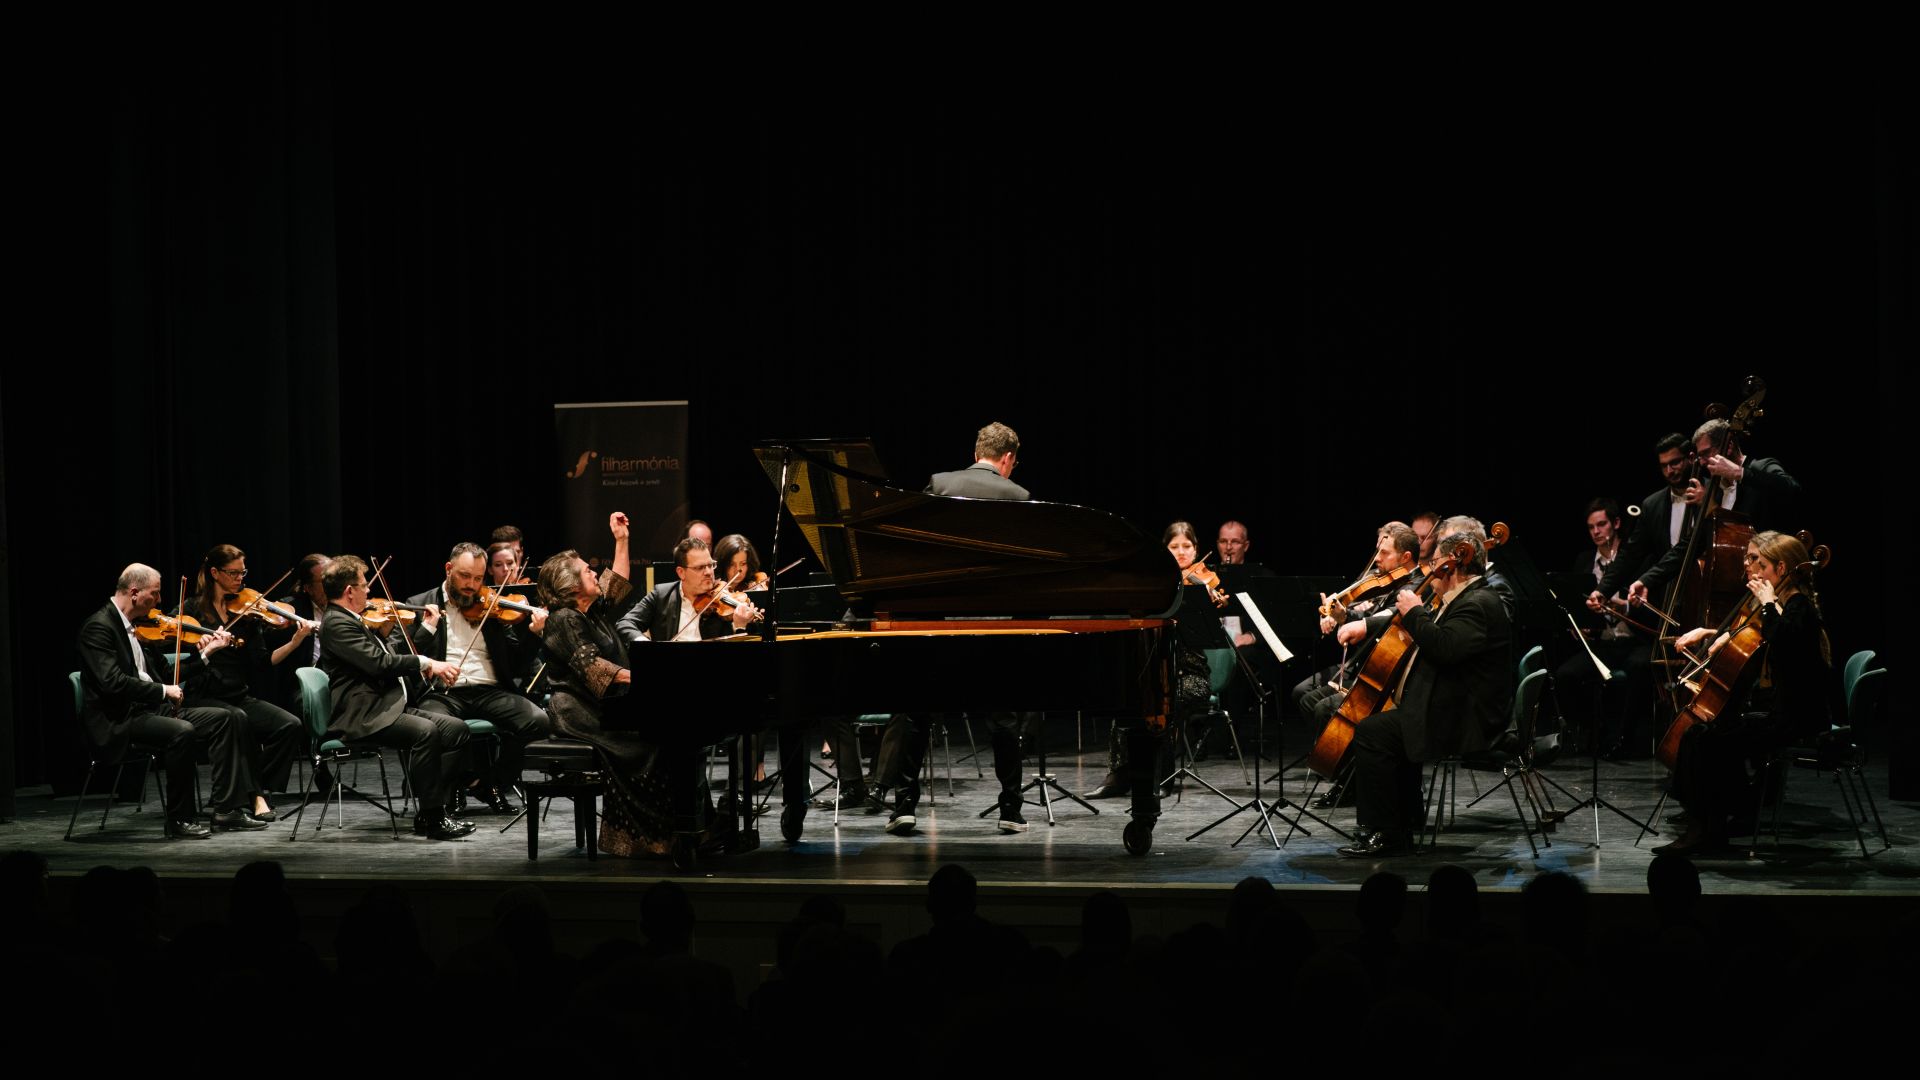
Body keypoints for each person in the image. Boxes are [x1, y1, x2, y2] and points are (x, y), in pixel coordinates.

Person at [541, 515, 795, 858]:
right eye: (588, 571)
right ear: (572, 587)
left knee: (672, 736)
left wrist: (622, 539)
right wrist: (652, 674)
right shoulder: (564, 619)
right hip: (581, 712)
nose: (595, 573)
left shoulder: (589, 610)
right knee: (655, 743)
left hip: (606, 703)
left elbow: (616, 582)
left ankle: (694, 826)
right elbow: (594, 669)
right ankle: (664, 834)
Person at [887, 422, 1032, 835]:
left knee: (917, 714)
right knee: (1003, 721)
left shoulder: (939, 484)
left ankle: (904, 807)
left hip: (937, 621)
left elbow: (910, 548)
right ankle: (1010, 811)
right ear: (1008, 458)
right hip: (994, 627)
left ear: (976, 452)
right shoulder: (1018, 496)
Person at [1338, 517, 1513, 858]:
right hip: (1455, 706)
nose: (1431, 572)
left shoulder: (1477, 603)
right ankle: (1405, 820)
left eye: (1435, 564)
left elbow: (1445, 648)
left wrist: (1415, 614)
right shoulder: (1468, 597)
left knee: (1373, 732)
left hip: (1468, 719)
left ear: (1453, 566)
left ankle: (1387, 833)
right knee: (1393, 724)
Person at [1655, 530, 1830, 856]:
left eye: (1758, 562)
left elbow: (1784, 642)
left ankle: (1706, 827)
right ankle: (1718, 819)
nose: (1750, 567)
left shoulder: (1798, 606)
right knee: (1705, 735)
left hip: (1796, 719)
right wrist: (1719, 632)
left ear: (1780, 568)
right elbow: (1762, 636)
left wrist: (1767, 603)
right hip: (1783, 713)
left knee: (1704, 738)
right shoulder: (1786, 606)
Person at [76, 564, 260, 837]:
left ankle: (227, 810)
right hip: (119, 719)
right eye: (155, 593)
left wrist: (208, 652)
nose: (160, 601)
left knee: (228, 717)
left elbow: (168, 673)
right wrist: (163, 691)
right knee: (181, 731)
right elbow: (112, 682)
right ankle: (179, 819)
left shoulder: (138, 628)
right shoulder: (99, 628)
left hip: (149, 710)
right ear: (135, 593)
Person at [317, 555, 475, 840]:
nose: (369, 590)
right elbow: (379, 664)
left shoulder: (354, 620)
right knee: (426, 732)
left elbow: (386, 657)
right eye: (364, 585)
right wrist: (426, 662)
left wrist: (394, 636)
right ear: (349, 591)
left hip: (387, 706)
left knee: (456, 730)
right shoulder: (337, 624)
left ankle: (432, 806)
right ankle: (434, 818)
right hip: (364, 715)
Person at [401, 542, 553, 814]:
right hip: (442, 693)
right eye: (464, 576)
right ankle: (448, 792)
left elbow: (516, 665)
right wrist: (427, 630)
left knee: (538, 721)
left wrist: (533, 634)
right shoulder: (420, 604)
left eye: (478, 578)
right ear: (448, 569)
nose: (472, 585)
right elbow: (402, 658)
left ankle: (490, 783)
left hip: (489, 690)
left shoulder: (490, 606)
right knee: (440, 727)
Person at [1083, 522, 1213, 800]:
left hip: (1191, 675)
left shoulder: (1202, 587)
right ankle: (1119, 776)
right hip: (1154, 671)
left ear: (1196, 550)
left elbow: (1212, 633)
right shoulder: (1154, 585)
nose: (1181, 552)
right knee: (1127, 696)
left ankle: (1162, 775)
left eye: (1187, 546)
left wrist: (1205, 599)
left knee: (1164, 700)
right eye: (1174, 547)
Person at [179, 544, 305, 821]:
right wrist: (200, 645)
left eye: (242, 573)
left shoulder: (246, 612)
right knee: (239, 720)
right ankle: (255, 796)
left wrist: (295, 642)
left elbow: (263, 662)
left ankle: (252, 788)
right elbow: (173, 644)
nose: (240, 579)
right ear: (215, 573)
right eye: (233, 573)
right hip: (204, 695)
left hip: (237, 694)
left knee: (289, 725)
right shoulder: (192, 609)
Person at [1626, 419, 1803, 608]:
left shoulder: (1760, 467)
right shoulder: (1716, 491)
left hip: (1776, 585)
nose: (1701, 462)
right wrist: (1647, 580)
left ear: (1729, 446)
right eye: (1699, 456)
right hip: (1740, 590)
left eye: (1706, 453)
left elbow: (1792, 489)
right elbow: (1692, 543)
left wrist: (1740, 473)